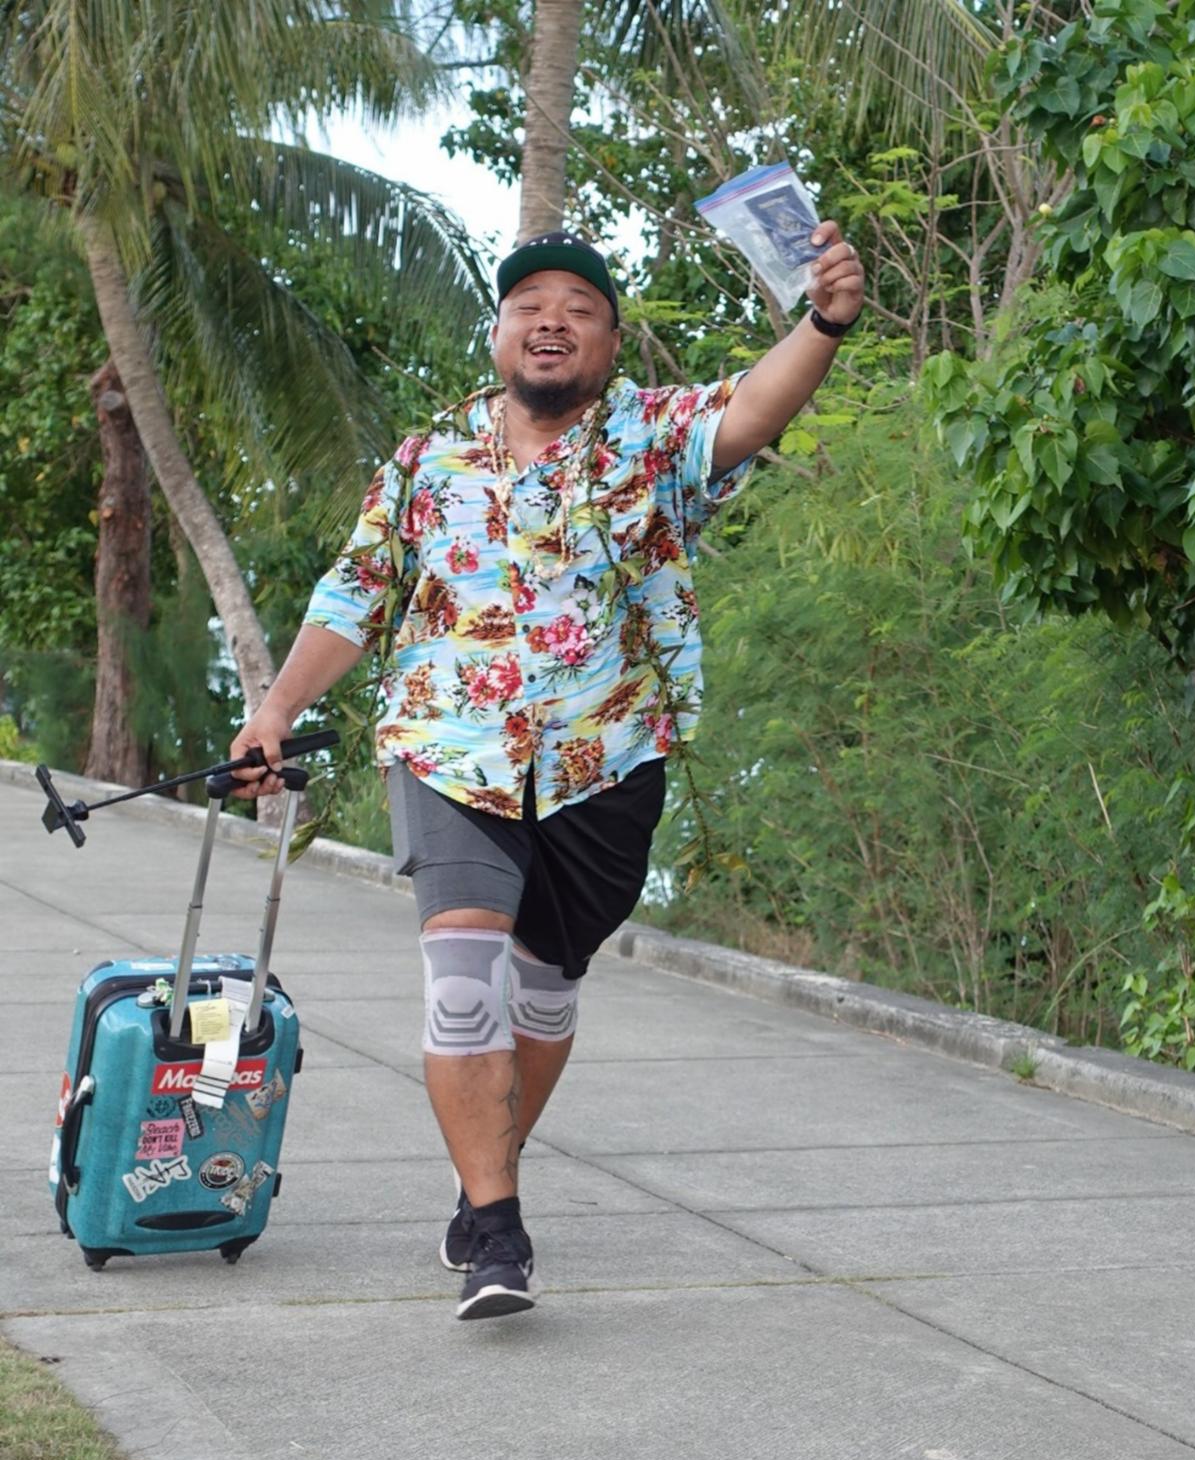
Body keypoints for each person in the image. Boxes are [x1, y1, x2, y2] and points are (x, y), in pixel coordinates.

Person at [229, 225, 865, 1320]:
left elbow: (756, 409)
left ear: (612, 342)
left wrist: (825, 321)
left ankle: (485, 1174)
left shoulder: (653, 438)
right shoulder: (430, 460)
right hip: (449, 749)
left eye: (579, 304)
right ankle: (499, 1231)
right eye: (530, 303)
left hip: (607, 757)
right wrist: (278, 707)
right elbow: (355, 593)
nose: (552, 318)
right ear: (500, 333)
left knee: (544, 991)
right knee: (466, 983)